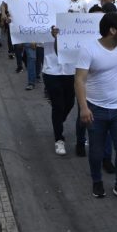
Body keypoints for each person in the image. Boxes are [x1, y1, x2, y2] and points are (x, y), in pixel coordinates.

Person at [75, 12, 117, 203]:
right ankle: (97, 181)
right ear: (112, 30)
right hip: (96, 109)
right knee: (96, 150)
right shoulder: (89, 49)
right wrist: (84, 108)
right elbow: (79, 79)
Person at [42, 26, 76, 156]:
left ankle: (58, 122)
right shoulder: (44, 23)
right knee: (58, 105)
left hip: (70, 69)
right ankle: (59, 138)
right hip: (51, 69)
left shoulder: (71, 20)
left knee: (70, 103)